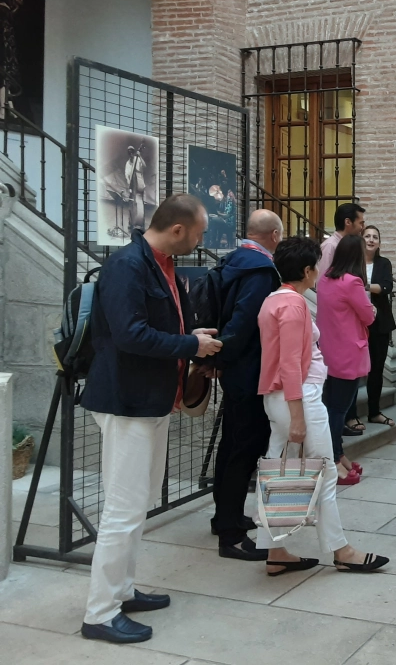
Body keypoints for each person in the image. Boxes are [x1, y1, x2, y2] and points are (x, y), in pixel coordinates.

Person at [80, 194, 223, 645]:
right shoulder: (127, 265)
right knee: (122, 510)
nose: (201, 243)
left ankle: (120, 591)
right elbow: (129, 334)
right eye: (198, 234)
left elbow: (155, 326)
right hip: (128, 402)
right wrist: (189, 347)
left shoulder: (159, 262)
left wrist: (188, 336)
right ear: (177, 229)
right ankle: (100, 612)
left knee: (136, 504)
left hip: (152, 400)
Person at [256, 236, 389, 576]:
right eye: (315, 265)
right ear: (306, 270)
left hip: (281, 397)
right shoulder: (294, 305)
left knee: (276, 471)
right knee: (326, 472)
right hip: (299, 396)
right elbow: (290, 364)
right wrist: (299, 416)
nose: (319, 270)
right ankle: (341, 550)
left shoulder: (274, 300)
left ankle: (276, 551)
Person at [209, 210, 283, 562]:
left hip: (234, 369)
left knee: (232, 444)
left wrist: (218, 360)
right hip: (249, 371)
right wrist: (223, 357)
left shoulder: (233, 261)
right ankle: (232, 535)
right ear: (274, 235)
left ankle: (225, 515)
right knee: (244, 448)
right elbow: (242, 322)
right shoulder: (260, 270)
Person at [318, 234, 376, 461]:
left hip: (327, 351)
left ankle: (333, 452)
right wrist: (373, 310)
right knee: (339, 409)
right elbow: (368, 316)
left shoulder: (324, 279)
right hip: (348, 353)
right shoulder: (352, 281)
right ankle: (335, 454)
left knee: (330, 406)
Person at [362, 225, 396, 427]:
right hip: (357, 323)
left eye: (375, 237)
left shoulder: (384, 263)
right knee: (356, 370)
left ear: (379, 243)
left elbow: (386, 287)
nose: (371, 239)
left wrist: (362, 286)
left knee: (376, 369)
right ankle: (351, 415)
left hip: (380, 323)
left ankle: (374, 411)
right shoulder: (354, 263)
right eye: (367, 236)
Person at [318, 202, 365, 276]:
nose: (362, 228)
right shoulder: (330, 246)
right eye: (361, 223)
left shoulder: (351, 245)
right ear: (348, 222)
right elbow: (322, 279)